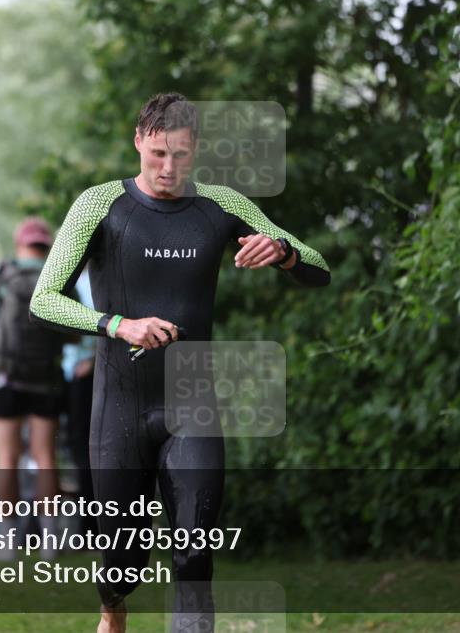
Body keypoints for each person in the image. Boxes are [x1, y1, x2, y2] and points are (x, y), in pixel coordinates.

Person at [29, 93, 330, 633]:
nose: (169, 168)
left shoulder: (219, 204)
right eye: (159, 154)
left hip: (192, 404)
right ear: (139, 141)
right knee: (120, 567)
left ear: (197, 151)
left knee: (194, 555)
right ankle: (112, 613)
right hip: (119, 408)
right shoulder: (99, 204)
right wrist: (119, 324)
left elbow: (318, 265)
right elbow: (43, 299)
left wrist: (282, 250)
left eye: (182, 156)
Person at [0, 217, 67, 561]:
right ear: (47, 245)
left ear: (19, 242)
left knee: (6, 457)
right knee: (45, 456)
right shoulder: (60, 275)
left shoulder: (0, 272)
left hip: (5, 376)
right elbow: (76, 329)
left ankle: (7, 541)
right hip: (47, 378)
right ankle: (50, 542)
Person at [61, 266, 97, 536]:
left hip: (82, 375)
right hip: (74, 374)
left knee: (85, 452)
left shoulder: (87, 282)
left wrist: (92, 361)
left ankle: (91, 530)